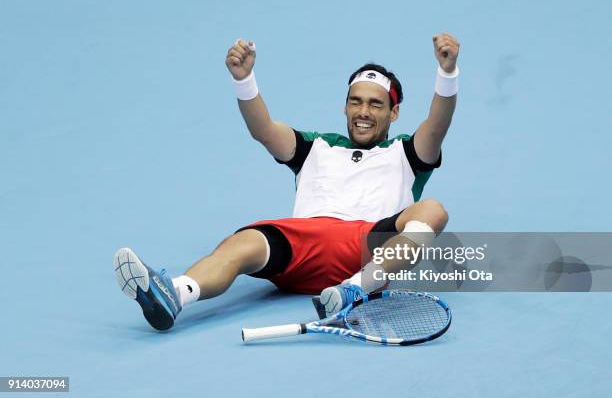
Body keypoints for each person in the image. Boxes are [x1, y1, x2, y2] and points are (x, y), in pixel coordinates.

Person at [114, 34, 460, 331]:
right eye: (355, 101)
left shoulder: (406, 151)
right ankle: (175, 293)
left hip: (366, 247)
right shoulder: (315, 146)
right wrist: (243, 80)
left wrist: (447, 73)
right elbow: (263, 130)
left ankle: (358, 287)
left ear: (393, 113)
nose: (363, 111)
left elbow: (438, 124)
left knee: (433, 211)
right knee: (243, 242)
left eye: (375, 104)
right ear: (344, 108)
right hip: (301, 246)